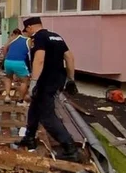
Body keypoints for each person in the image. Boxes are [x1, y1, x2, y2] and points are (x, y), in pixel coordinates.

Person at [18, 17, 81, 162]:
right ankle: (29, 137)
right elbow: (69, 58)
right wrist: (71, 80)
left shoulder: (39, 37)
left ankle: (70, 148)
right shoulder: (56, 37)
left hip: (44, 81)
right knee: (34, 107)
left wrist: (33, 83)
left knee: (47, 116)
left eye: (26, 30)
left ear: (29, 28)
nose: (27, 33)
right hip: (56, 80)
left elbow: (39, 59)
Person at [1, 28, 31, 104]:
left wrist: (5, 58)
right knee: (24, 81)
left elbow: (4, 48)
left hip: (8, 61)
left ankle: (7, 96)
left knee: (8, 77)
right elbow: (30, 54)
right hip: (19, 62)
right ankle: (21, 100)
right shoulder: (28, 40)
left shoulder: (12, 39)